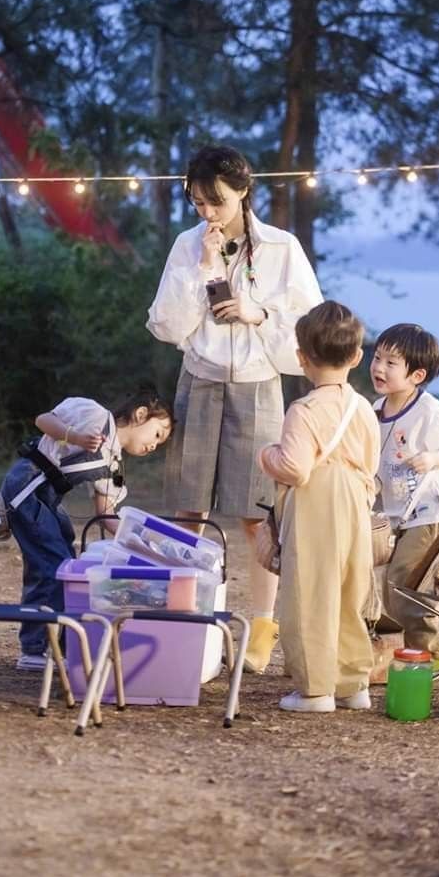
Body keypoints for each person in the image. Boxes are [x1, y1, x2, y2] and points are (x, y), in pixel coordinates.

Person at [147, 143, 322, 673]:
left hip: (257, 382)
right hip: (198, 380)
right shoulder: (187, 244)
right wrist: (199, 270)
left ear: (244, 191)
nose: (207, 212)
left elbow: (311, 331)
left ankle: (263, 626)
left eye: (216, 201)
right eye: (198, 202)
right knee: (188, 507)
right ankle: (185, 617)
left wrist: (256, 312)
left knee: (256, 512)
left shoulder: (282, 248)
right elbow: (165, 326)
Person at [257, 301, 380, 712]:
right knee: (349, 590)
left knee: (311, 590)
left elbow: (294, 468)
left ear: (301, 358)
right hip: (356, 501)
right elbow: (371, 461)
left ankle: (315, 689)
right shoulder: (362, 407)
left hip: (317, 503)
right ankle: (352, 684)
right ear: (358, 356)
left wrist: (265, 455)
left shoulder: (304, 409)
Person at [1, 386, 173, 669]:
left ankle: (70, 647)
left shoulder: (114, 467)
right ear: (141, 414)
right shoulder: (94, 415)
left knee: (67, 564)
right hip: (27, 486)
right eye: (157, 435)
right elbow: (43, 420)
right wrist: (75, 437)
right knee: (52, 564)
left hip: (48, 499)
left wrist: (145, 540)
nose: (155, 445)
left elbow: (106, 515)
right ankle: (33, 650)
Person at [370, 323, 439, 670]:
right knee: (393, 588)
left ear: (417, 374)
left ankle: (434, 653)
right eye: (377, 357)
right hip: (399, 512)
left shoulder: (428, 409)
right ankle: (426, 650)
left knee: (404, 582)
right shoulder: (377, 409)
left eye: (391, 363)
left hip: (429, 508)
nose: (379, 367)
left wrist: (431, 459)